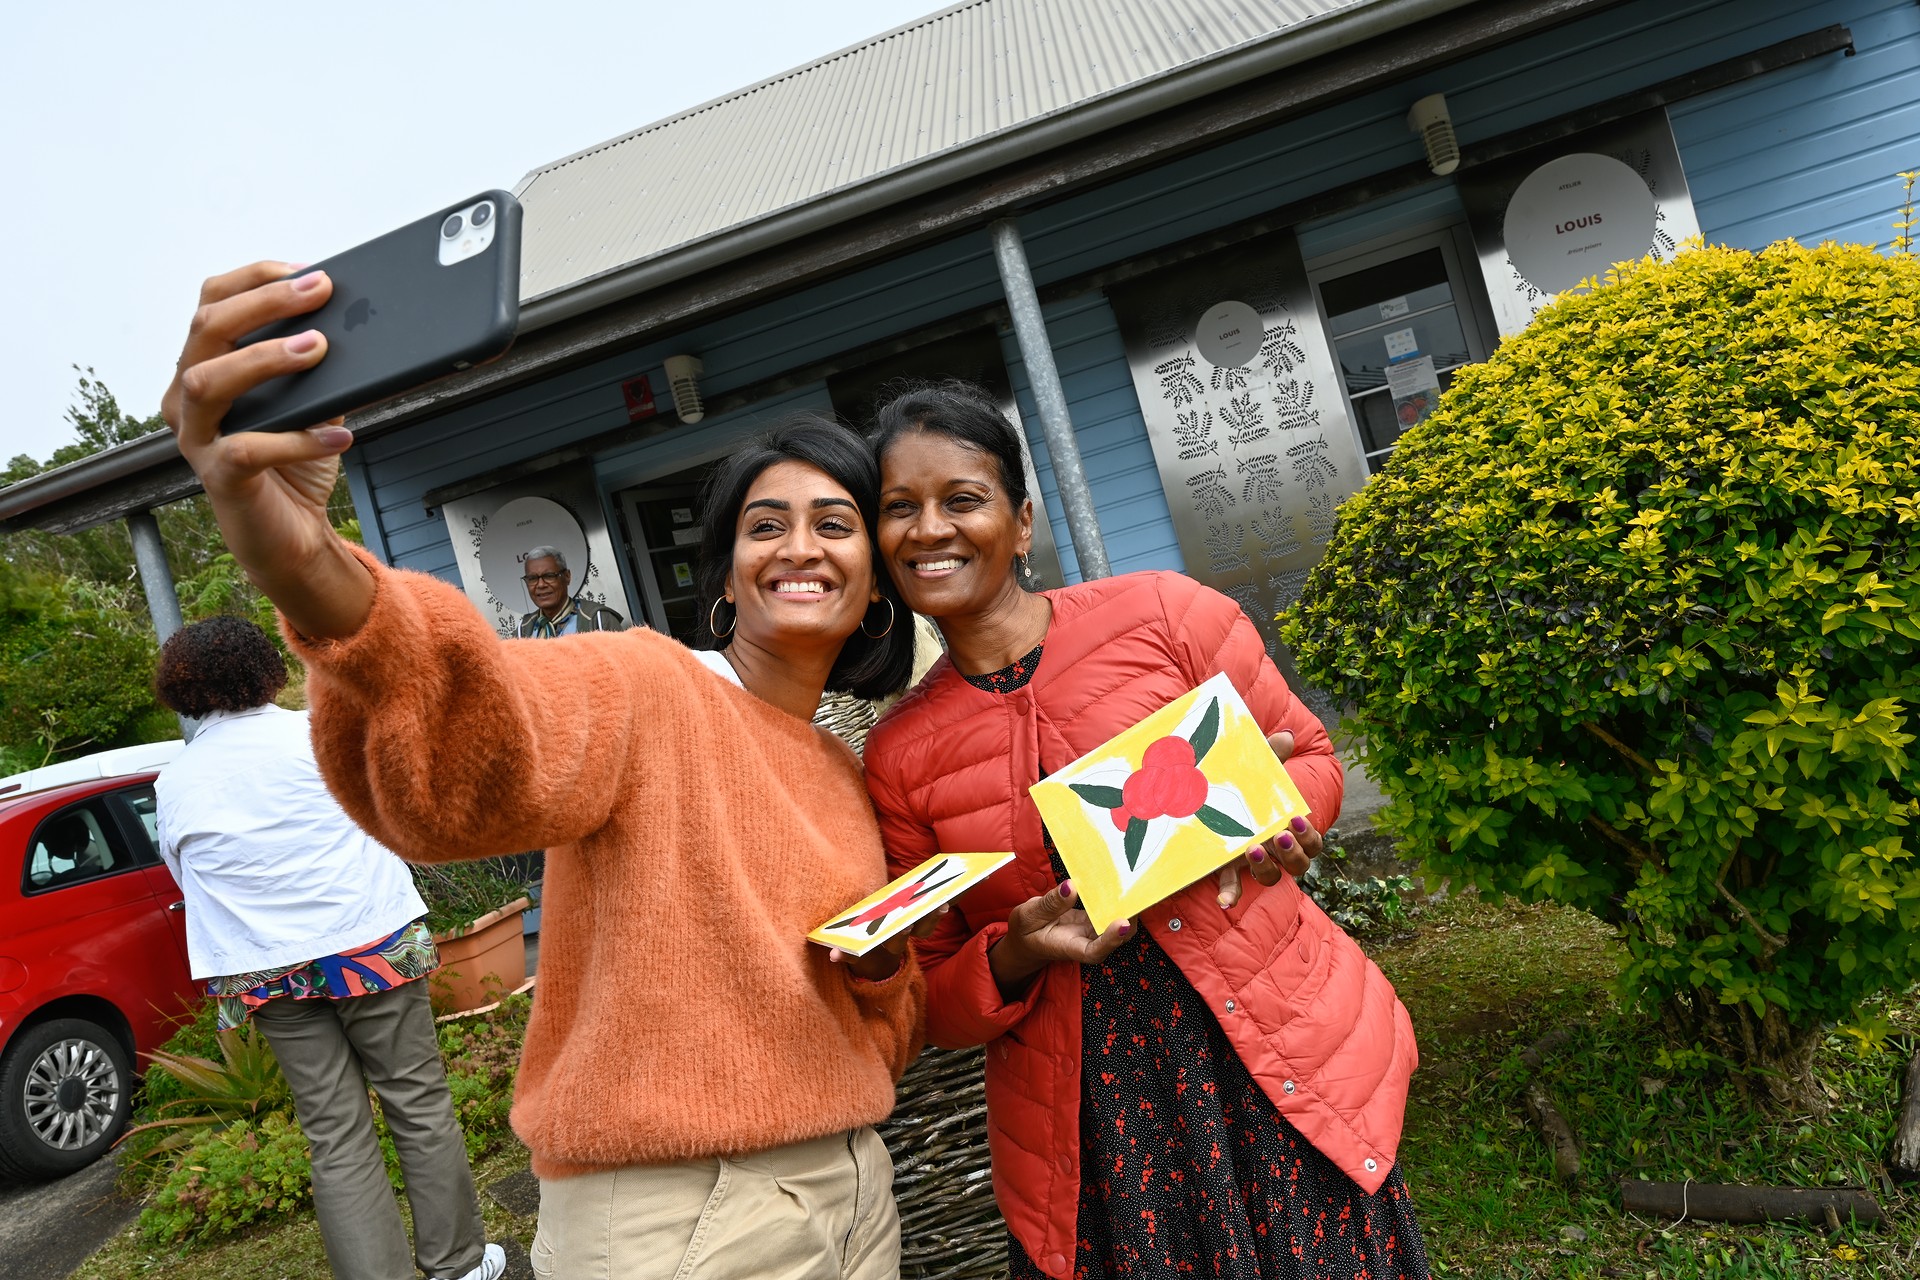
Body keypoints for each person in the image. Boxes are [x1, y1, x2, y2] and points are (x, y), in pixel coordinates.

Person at [161, 260, 926, 1279]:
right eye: (764, 523)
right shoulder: (647, 683)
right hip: (685, 1217)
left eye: (835, 523)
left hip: (852, 1188)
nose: (801, 545)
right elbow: (471, 753)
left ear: (875, 582)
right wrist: (305, 564)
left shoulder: (841, 767)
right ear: (726, 576)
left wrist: (882, 973)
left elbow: (881, 1023)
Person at [861, 382, 1428, 1280]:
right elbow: (931, 994)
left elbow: (1312, 758)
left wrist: (1278, 819)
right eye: (900, 509)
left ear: (1020, 520)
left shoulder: (1163, 615)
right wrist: (1015, 952)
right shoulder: (900, 754)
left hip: (1267, 1050)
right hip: (1094, 1115)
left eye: (962, 500)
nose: (930, 529)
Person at [152, 616, 504, 1280]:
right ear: (265, 670)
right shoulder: (318, 734)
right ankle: (457, 1265)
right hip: (368, 940)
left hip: (263, 967)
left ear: (183, 689)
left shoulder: (176, 783)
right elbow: (385, 816)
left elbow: (187, 874)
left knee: (333, 1132)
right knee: (417, 1102)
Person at [512, 545, 627, 637]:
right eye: (532, 578)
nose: (541, 585)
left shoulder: (598, 620)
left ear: (567, 576)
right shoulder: (523, 630)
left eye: (549, 576)